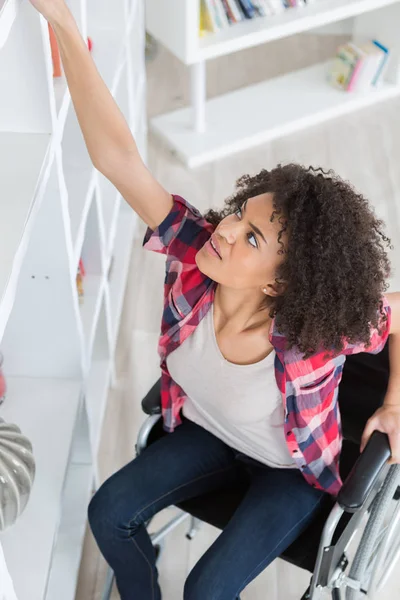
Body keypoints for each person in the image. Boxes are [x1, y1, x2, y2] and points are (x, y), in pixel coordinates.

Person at [29, 1, 400, 599]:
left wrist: (395, 401)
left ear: (281, 283)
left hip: (290, 472)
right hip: (207, 433)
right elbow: (118, 158)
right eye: (237, 215)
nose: (223, 230)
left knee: (206, 590)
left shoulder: (318, 332)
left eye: (250, 238)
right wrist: (65, 25)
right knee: (107, 513)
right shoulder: (195, 254)